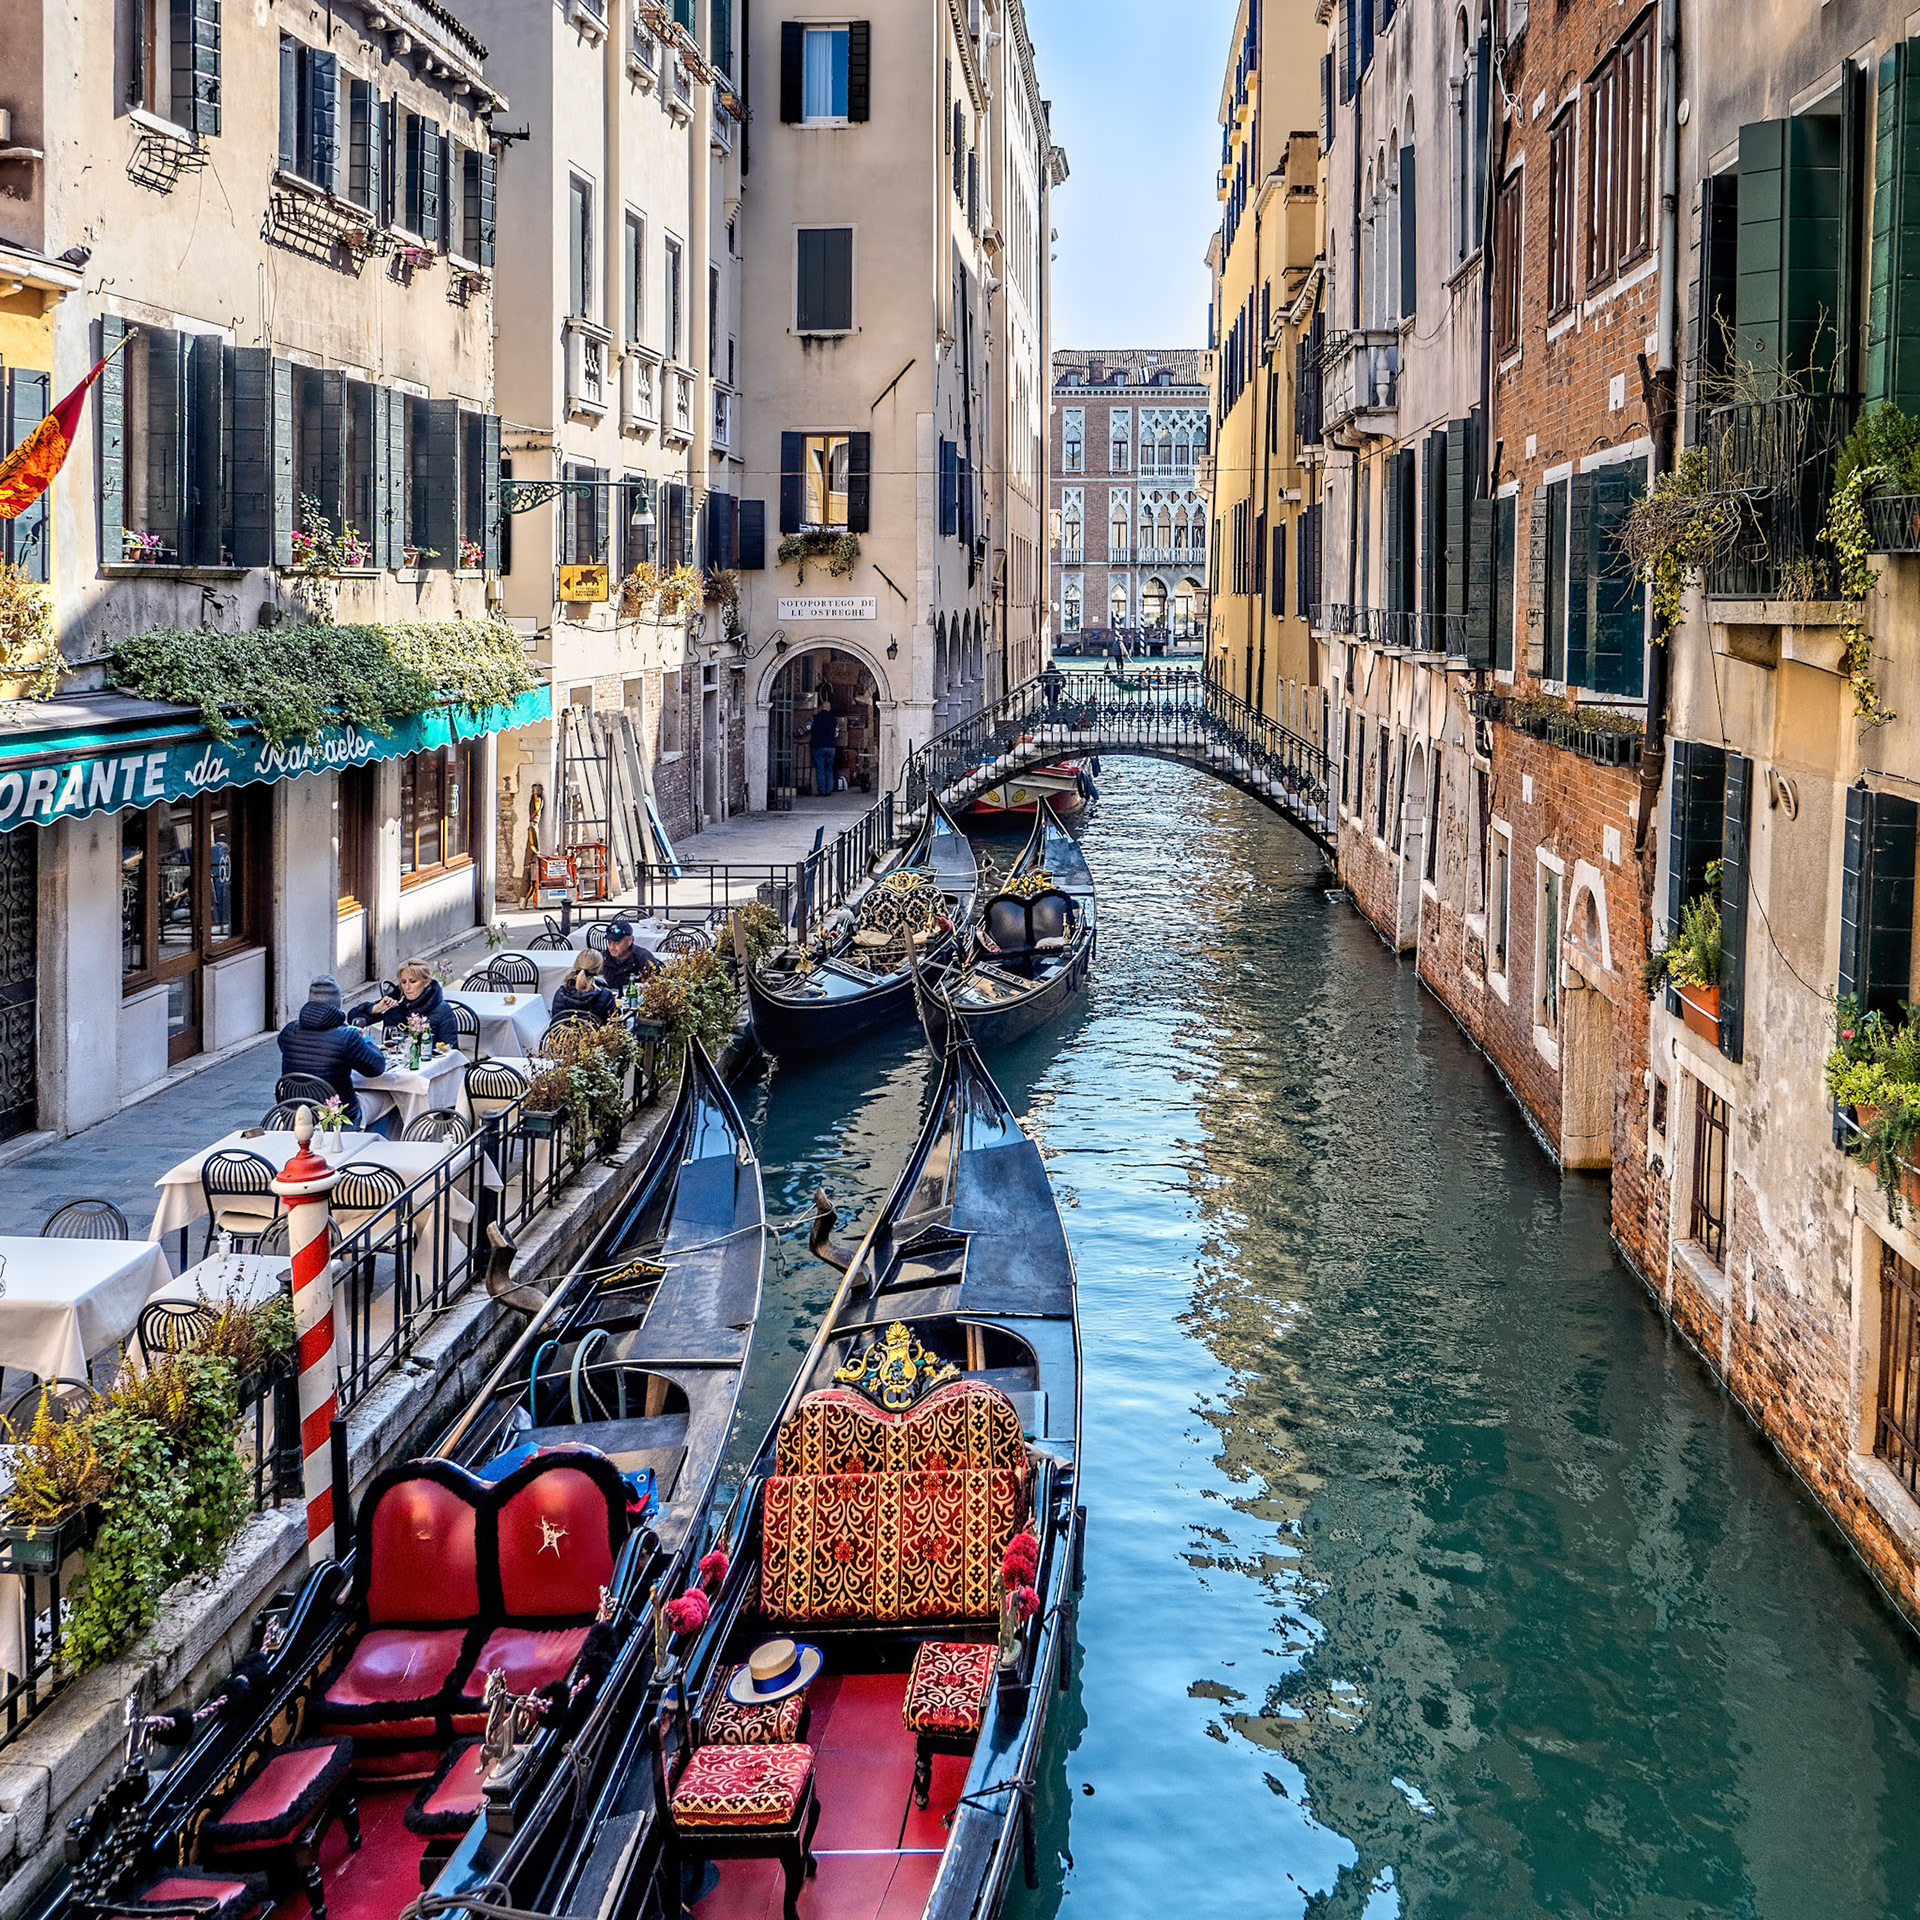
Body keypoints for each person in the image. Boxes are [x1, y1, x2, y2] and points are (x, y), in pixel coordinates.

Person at [278, 975, 386, 1123]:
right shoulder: (347, 1036)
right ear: (337, 1003)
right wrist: (365, 1040)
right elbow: (376, 1068)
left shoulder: (289, 1031)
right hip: (338, 1117)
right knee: (388, 1098)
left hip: (294, 1115)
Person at [351, 957, 460, 1049]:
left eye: (413, 981)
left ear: (426, 982)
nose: (407, 987)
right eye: (403, 982)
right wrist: (376, 1009)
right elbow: (353, 1019)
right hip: (394, 1061)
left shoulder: (442, 1009)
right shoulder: (395, 1003)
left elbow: (451, 1049)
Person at [550, 949, 617, 1026]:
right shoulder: (605, 995)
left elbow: (556, 1021)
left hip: (564, 1033)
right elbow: (613, 1023)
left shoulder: (561, 993)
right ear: (599, 969)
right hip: (594, 1033)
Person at [599, 918, 660, 994]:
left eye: (617, 943)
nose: (612, 947)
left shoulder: (643, 958)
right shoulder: (602, 958)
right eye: (609, 942)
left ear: (629, 941)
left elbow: (657, 986)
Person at [810, 695, 839, 798]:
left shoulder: (815, 718)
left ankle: (822, 790)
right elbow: (836, 734)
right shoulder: (834, 720)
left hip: (818, 746)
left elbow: (806, 728)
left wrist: (794, 733)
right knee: (829, 769)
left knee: (820, 769)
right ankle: (829, 790)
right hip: (830, 747)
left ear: (820, 707)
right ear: (829, 708)